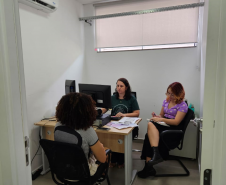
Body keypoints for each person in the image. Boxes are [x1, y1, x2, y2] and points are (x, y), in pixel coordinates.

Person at [137, 82, 188, 178]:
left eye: (172, 94)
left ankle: (149, 165)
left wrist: (160, 119)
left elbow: (176, 122)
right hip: (164, 125)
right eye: (168, 93)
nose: (169, 96)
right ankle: (150, 164)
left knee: (149, 131)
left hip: (173, 130)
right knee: (149, 134)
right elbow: (162, 115)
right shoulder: (166, 101)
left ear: (179, 93)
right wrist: (157, 117)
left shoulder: (183, 105)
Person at [54, 92, 107, 184]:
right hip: (82, 174)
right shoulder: (87, 130)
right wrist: (101, 146)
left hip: (62, 170)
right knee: (105, 151)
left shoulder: (57, 126)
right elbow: (102, 159)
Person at [102, 78, 140, 168]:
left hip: (127, 125)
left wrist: (124, 115)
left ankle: (120, 160)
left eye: (121, 86)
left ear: (126, 87)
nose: (119, 88)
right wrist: (99, 111)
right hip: (114, 124)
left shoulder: (131, 98)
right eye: (117, 85)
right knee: (111, 138)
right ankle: (113, 159)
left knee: (121, 140)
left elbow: (137, 113)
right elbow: (106, 108)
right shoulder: (112, 98)